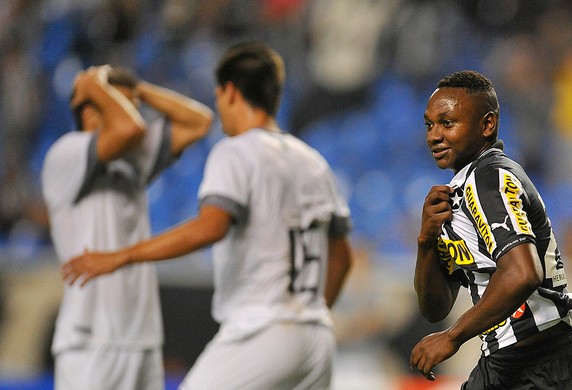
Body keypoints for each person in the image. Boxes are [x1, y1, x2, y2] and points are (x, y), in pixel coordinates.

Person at [61, 41, 354, 390]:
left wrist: (120, 255)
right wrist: (311, 314)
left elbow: (211, 226)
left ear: (229, 91)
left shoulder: (235, 150)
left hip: (261, 331)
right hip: (317, 341)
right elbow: (343, 257)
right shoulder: (313, 162)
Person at [410, 70, 572, 389]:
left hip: (549, 366)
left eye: (447, 123)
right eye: (429, 125)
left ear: (487, 124)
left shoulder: (492, 180)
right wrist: (426, 241)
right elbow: (435, 307)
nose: (434, 136)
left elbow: (522, 272)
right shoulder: (457, 193)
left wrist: (452, 337)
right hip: (501, 365)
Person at [42, 65, 213, 390]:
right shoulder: (65, 153)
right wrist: (94, 86)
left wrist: (139, 88)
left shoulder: (132, 160)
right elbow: (129, 130)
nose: (135, 112)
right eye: (123, 105)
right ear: (90, 113)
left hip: (143, 337)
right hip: (90, 339)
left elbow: (199, 122)